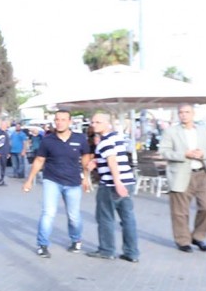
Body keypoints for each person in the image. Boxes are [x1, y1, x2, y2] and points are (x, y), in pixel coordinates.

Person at [22, 110, 91, 258]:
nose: (60, 122)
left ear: (70, 122)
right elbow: (39, 160)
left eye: (63, 120)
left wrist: (86, 178)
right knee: (48, 213)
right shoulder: (48, 140)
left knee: (74, 216)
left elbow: (86, 158)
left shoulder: (80, 139)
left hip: (73, 182)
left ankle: (76, 240)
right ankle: (43, 244)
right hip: (52, 180)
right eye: (57, 120)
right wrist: (29, 180)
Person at [159, 104, 206, 252]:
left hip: (202, 173)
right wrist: (183, 154)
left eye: (187, 112)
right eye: (181, 112)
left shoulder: (205, 131)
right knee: (180, 211)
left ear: (193, 114)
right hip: (180, 173)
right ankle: (183, 240)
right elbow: (164, 152)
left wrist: (203, 154)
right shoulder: (170, 132)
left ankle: (198, 236)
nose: (184, 115)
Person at [85, 112, 139, 262]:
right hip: (128, 181)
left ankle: (107, 250)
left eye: (98, 122)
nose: (94, 125)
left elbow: (112, 162)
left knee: (105, 218)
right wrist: (97, 161)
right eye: (93, 122)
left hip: (111, 184)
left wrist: (117, 183)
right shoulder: (116, 137)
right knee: (128, 218)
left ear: (108, 124)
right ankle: (132, 252)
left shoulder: (104, 141)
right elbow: (111, 156)